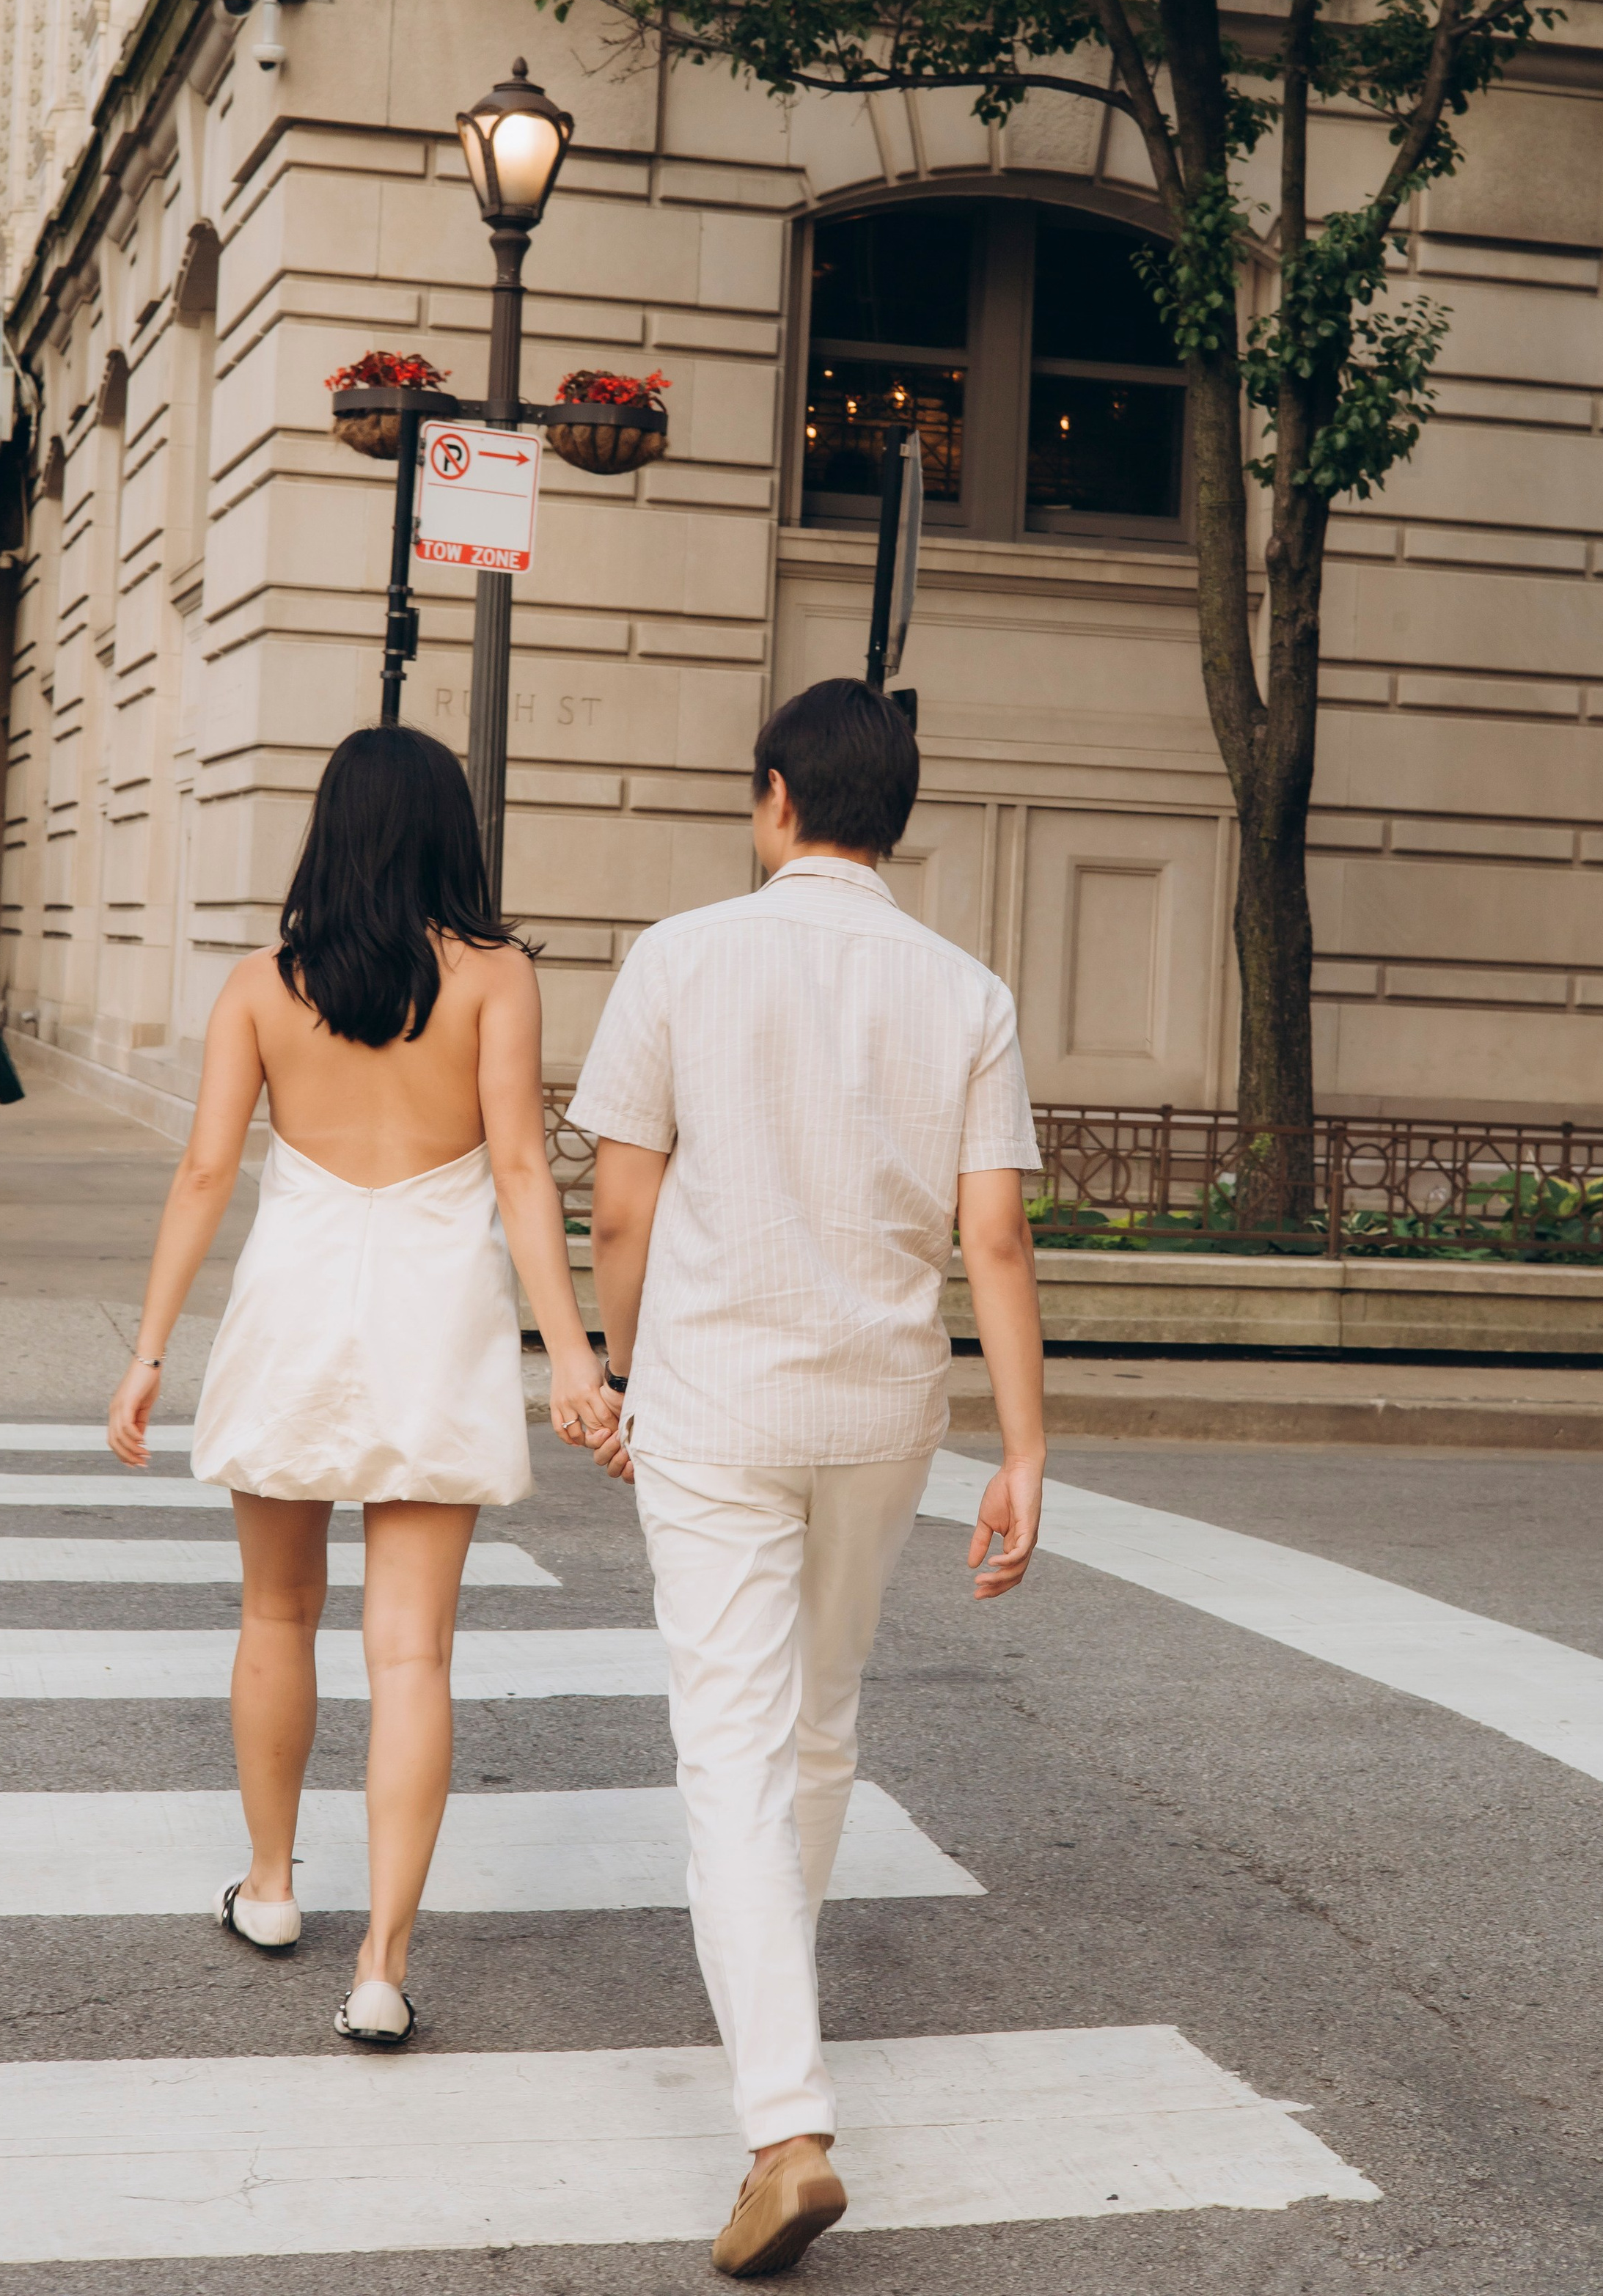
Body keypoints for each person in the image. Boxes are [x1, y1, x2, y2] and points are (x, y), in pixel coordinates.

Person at [568, 677, 1048, 2279]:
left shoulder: (681, 956)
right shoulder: (965, 990)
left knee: (729, 1746)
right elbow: (993, 1234)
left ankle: (783, 2119)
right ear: (891, 817)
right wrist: (1026, 1448)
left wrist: (613, 1362)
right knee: (819, 1722)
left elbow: (621, 1206)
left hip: (715, 1397)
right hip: (880, 1407)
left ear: (774, 796)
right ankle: (775, 1981)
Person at [106, 725, 612, 2045]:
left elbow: (207, 1174)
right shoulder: (497, 979)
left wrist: (151, 1348)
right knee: (413, 1652)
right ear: (452, 831)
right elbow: (517, 1173)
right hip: (436, 1308)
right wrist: (573, 1351)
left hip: (295, 1303)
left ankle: (272, 1888)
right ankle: (382, 1965)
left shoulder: (264, 987)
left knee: (276, 1615)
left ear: (329, 830)